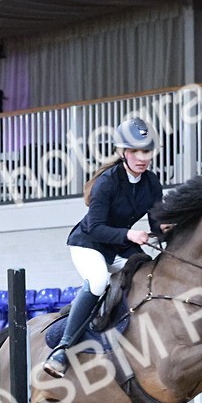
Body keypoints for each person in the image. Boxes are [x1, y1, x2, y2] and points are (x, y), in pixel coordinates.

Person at [42, 117, 164, 379]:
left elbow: (158, 223)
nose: (142, 157)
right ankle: (62, 348)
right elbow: (96, 227)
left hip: (119, 244)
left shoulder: (152, 183)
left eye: (146, 151)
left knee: (147, 273)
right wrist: (131, 234)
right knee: (98, 282)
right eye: (135, 151)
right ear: (123, 153)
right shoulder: (107, 182)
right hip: (89, 244)